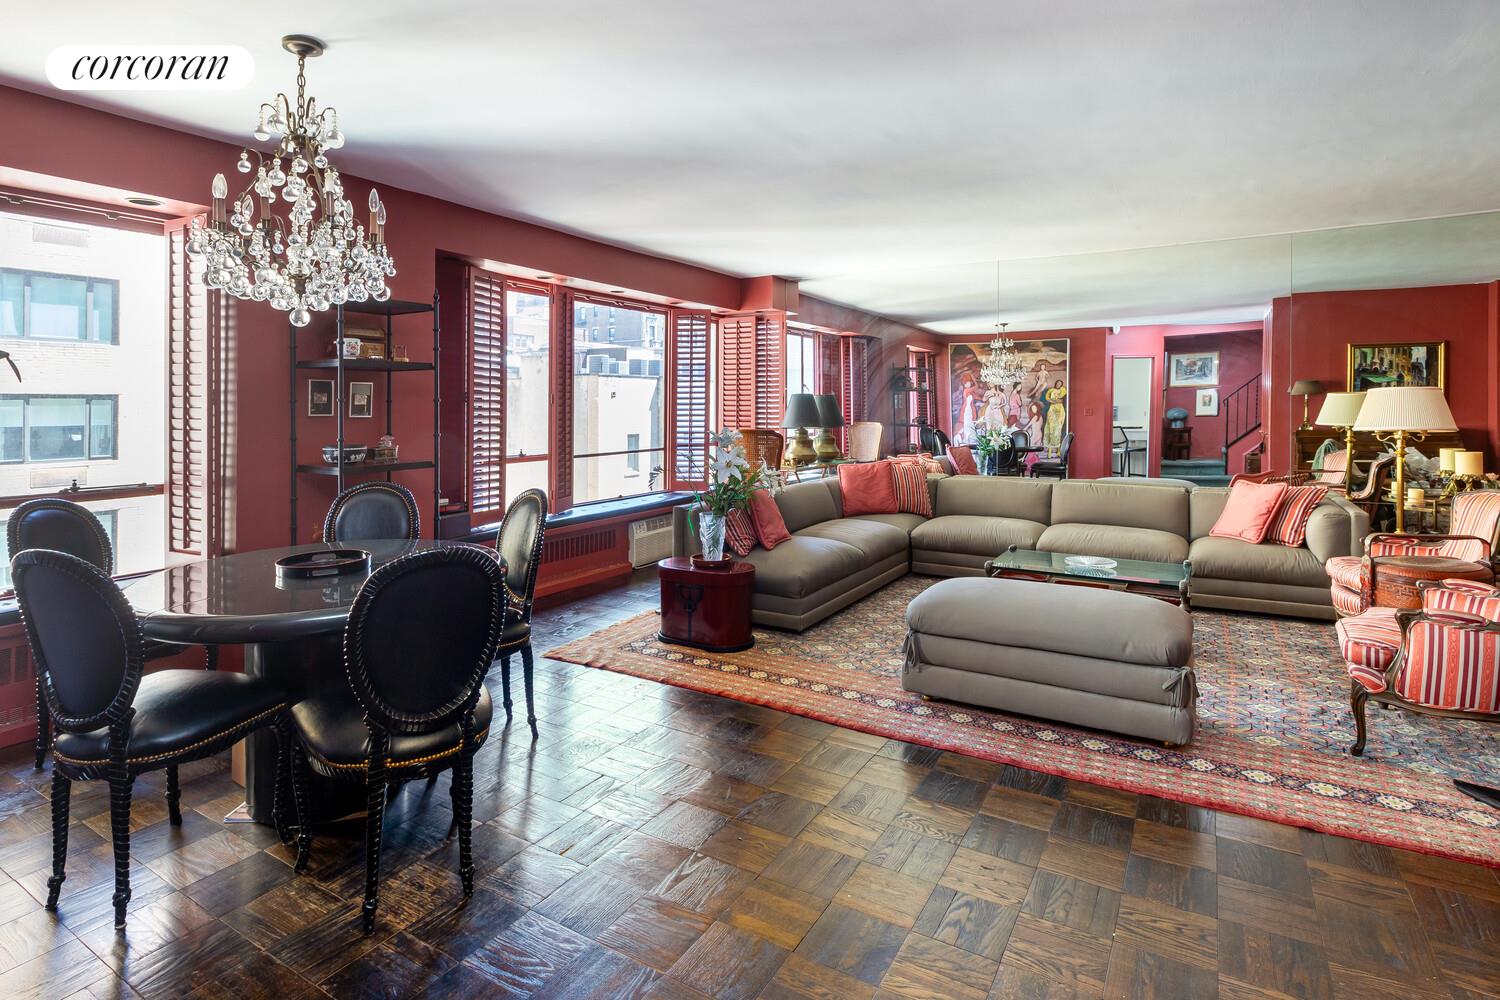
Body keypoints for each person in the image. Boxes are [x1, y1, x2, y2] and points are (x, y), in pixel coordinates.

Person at [1042, 379, 1068, 451]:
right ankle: (1050, 448)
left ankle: (1058, 448)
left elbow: (1063, 398)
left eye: (1060, 383)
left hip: (1060, 409)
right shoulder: (1051, 390)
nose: (1058, 384)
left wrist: (1059, 399)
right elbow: (1047, 398)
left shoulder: (1063, 390)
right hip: (1052, 409)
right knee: (1050, 427)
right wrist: (1053, 401)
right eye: (1057, 383)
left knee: (1058, 428)